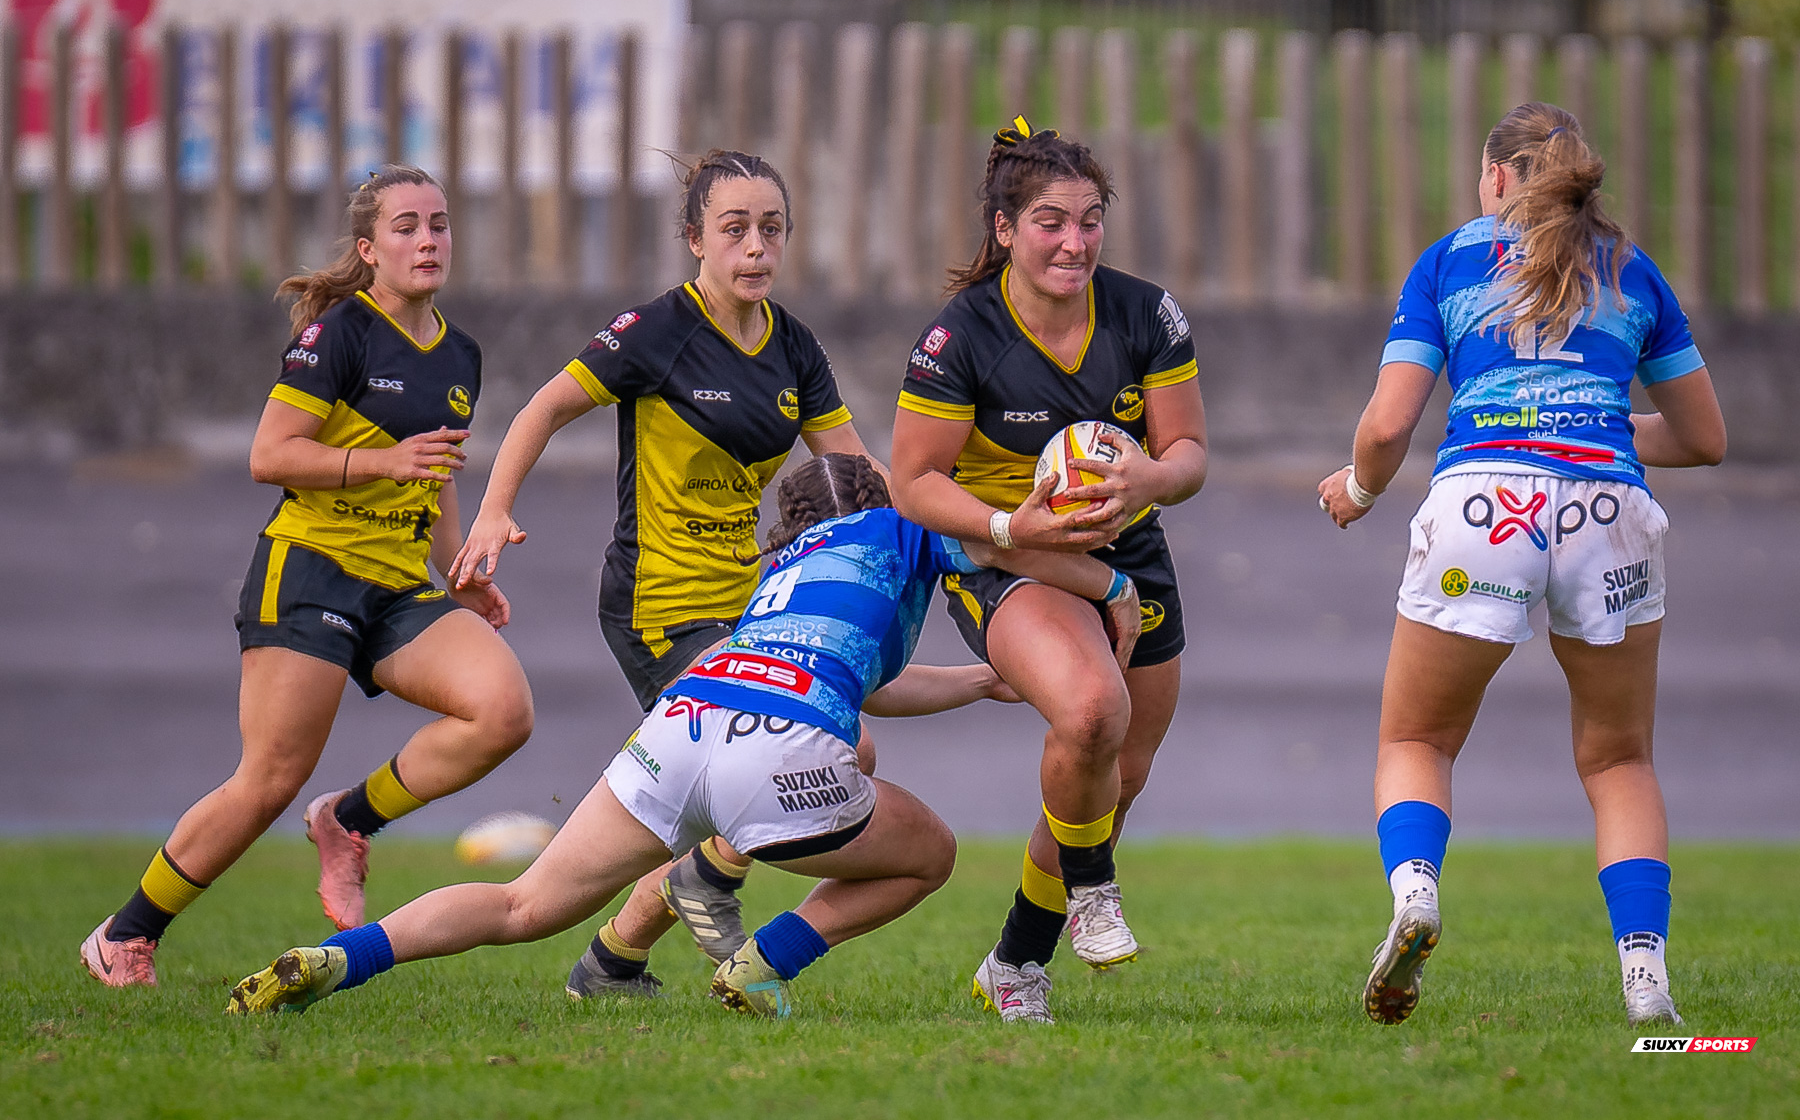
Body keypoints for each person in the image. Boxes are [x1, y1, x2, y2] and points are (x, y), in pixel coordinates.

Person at [227, 453, 1142, 1019]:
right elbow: (1013, 541)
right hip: (775, 749)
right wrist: (1109, 587)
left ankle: (337, 961)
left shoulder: (780, 572)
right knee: (929, 853)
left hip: (684, 720)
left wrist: (981, 683)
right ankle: (759, 960)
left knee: (523, 905)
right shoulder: (908, 525)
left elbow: (861, 677)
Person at [1318, 103, 1726, 1029]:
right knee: (1619, 757)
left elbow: (1387, 426)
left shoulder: (1451, 260)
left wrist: (1361, 488)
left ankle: (1416, 894)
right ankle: (1647, 983)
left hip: (1482, 504)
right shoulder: (1631, 269)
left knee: (1417, 740)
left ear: (1498, 177)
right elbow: (1705, 437)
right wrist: (1592, 427)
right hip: (1607, 511)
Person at [80, 165, 535, 987]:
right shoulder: (339, 335)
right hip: (311, 573)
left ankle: (347, 819)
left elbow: (434, 472)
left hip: (398, 584)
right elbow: (271, 454)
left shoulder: (460, 353)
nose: (428, 239)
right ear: (369, 249)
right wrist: (380, 461)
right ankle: (125, 932)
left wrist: (459, 566)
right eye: (406, 226)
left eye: (438, 223)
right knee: (268, 779)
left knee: (502, 711)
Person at [447, 150, 887, 995]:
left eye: (771, 229)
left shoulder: (793, 345)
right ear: (694, 239)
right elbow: (545, 405)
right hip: (659, 603)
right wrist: (494, 510)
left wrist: (960, 533)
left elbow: (861, 479)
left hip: (747, 605)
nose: (756, 247)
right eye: (734, 230)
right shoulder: (658, 332)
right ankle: (685, 894)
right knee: (834, 746)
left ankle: (615, 959)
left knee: (734, 787)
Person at [887, 117, 1208, 1023]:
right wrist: (1004, 520)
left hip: (1127, 551)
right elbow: (913, 482)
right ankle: (1095, 889)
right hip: (1007, 553)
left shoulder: (1146, 313)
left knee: (1117, 771)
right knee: (1091, 708)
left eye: (1091, 219)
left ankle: (1016, 962)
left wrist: (1147, 474)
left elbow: (1188, 453)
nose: (1075, 241)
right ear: (1004, 229)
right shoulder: (962, 337)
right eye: (1051, 222)